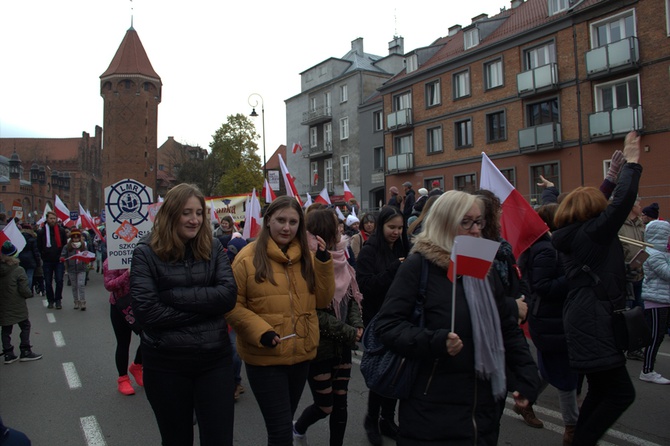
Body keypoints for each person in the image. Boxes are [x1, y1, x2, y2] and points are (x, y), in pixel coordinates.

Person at [374, 190, 539, 444]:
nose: (476, 230)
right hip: (430, 414)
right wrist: (435, 342)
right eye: (466, 222)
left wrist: (527, 376)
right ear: (445, 222)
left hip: (482, 412)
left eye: (479, 221)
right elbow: (388, 326)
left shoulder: (482, 267)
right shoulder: (418, 266)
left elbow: (505, 326)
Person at [130, 183, 238, 446]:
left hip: (214, 360)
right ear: (171, 214)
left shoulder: (213, 248)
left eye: (199, 213)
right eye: (187, 212)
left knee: (219, 439)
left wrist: (172, 298)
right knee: (176, 439)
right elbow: (147, 313)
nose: (194, 219)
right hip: (166, 363)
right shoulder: (145, 252)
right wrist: (206, 310)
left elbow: (227, 296)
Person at [552, 131, 641, 446]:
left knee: (603, 390)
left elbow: (600, 207)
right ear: (593, 214)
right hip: (592, 322)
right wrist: (632, 163)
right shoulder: (591, 234)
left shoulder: (578, 232)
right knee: (620, 393)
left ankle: (578, 440)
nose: (605, 211)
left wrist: (610, 178)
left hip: (589, 318)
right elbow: (618, 207)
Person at [225, 196, 334, 445]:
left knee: (284, 425)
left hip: (300, 355)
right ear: (268, 221)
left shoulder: (307, 255)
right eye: (281, 220)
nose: (287, 227)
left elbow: (322, 300)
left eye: (293, 222)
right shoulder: (247, 257)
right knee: (280, 433)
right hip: (266, 357)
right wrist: (261, 331)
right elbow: (231, 305)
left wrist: (324, 264)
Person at [293, 208, 364, 446]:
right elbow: (313, 312)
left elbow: (351, 296)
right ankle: (299, 428)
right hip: (318, 348)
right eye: (336, 225)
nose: (340, 228)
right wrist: (349, 332)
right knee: (325, 406)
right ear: (325, 230)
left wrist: (356, 323)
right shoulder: (307, 261)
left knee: (341, 402)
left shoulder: (341, 254)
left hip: (342, 345)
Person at [520, 202, 579, 444]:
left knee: (550, 368)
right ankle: (572, 426)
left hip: (552, 318)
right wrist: (572, 275)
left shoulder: (549, 245)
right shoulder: (545, 249)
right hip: (550, 319)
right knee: (565, 372)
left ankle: (525, 399)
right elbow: (542, 287)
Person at [355, 205, 409, 445]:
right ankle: (372, 419)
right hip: (376, 319)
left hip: (400, 318)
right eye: (391, 227)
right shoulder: (369, 251)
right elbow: (365, 286)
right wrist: (393, 270)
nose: (396, 232)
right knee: (381, 371)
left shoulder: (404, 247)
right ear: (381, 226)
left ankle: (388, 419)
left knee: (396, 370)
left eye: (400, 228)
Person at [103, 259, 143, 395]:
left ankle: (137, 365)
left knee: (149, 338)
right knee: (123, 342)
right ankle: (123, 378)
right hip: (121, 305)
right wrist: (128, 273)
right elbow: (109, 285)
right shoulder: (111, 261)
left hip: (142, 303)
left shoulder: (143, 256)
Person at [639, 220, 670, 384]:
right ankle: (647, 370)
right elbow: (667, 273)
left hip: (664, 299)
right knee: (655, 336)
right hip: (656, 300)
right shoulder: (653, 254)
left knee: (659, 335)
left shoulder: (663, 253)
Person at [1, 241, 42, 364]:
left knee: (6, 328)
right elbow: (24, 289)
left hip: (2, 304)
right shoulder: (18, 270)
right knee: (25, 325)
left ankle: (8, 353)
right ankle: (25, 351)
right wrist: (29, 295)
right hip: (16, 303)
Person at [36, 211, 68, 309]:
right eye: (51, 218)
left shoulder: (61, 230)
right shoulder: (42, 232)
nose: (52, 220)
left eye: (54, 218)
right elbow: (39, 246)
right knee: (48, 282)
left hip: (58, 260)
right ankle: (50, 300)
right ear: (47, 219)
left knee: (59, 280)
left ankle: (58, 300)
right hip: (47, 261)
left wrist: (62, 256)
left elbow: (64, 244)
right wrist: (43, 256)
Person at [60, 229, 91, 310]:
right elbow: (63, 254)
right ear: (71, 238)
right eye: (74, 238)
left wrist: (88, 260)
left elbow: (86, 254)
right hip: (71, 269)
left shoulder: (83, 245)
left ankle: (83, 301)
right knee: (74, 286)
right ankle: (76, 301)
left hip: (81, 268)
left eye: (77, 238)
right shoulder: (67, 247)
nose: (76, 239)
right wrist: (62, 258)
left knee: (81, 285)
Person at [18, 223, 41, 293]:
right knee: (29, 275)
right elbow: (35, 251)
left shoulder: (19, 238)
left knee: (22, 275)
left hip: (21, 259)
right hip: (31, 259)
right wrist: (38, 261)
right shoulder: (32, 238)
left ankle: (22, 289)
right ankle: (28, 290)